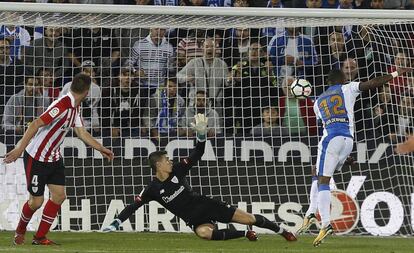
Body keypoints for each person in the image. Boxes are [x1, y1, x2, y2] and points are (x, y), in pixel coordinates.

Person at [103, 114, 297, 242]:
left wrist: (201, 135)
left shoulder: (177, 171)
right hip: (195, 220)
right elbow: (133, 206)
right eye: (167, 160)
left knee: (249, 218)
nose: (170, 161)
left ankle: (282, 231)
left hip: (207, 205)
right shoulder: (152, 189)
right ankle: (245, 234)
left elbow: (197, 153)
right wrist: (116, 222)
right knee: (204, 233)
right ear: (158, 165)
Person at [299, 67, 412, 247]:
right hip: (348, 140)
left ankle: (325, 223)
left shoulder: (317, 102)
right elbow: (373, 83)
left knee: (322, 180)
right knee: (317, 170)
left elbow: (324, 123)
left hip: (331, 138)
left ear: (328, 82)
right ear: (343, 79)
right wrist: (396, 73)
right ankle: (311, 212)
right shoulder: (348, 88)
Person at [4, 73, 114, 246]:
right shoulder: (61, 104)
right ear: (87, 91)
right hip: (37, 157)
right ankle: (20, 231)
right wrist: (19, 149)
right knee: (36, 202)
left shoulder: (75, 106)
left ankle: (39, 237)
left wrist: (101, 148)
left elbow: (82, 132)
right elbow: (35, 124)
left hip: (54, 157)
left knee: (59, 196)